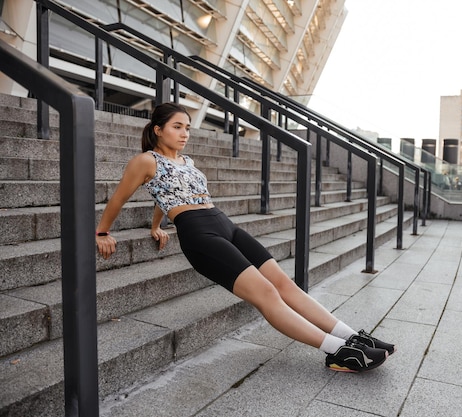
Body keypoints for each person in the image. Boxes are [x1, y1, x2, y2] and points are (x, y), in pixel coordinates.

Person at [95, 102, 396, 373]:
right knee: (266, 294)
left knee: (283, 284)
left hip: (224, 223)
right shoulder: (145, 160)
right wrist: (102, 231)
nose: (184, 133)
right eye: (177, 127)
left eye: (187, 127)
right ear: (158, 129)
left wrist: (156, 226)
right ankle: (340, 352)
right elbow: (120, 198)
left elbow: (164, 194)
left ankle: (351, 336)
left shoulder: (188, 162)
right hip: (199, 234)